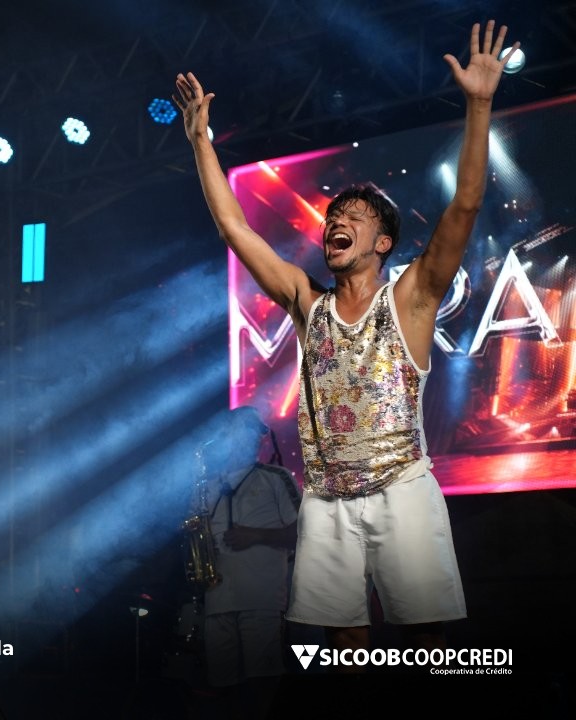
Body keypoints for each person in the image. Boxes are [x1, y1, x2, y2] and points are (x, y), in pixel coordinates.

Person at [174, 21, 519, 659]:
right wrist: (201, 143)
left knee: (425, 637)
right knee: (341, 642)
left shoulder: (411, 297)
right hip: (327, 498)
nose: (337, 220)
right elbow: (235, 230)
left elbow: (465, 207)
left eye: (354, 217)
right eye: (334, 215)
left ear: (383, 242)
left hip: (402, 488)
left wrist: (478, 104)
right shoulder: (308, 303)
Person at [191, 406, 298, 719]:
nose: (246, 438)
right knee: (222, 688)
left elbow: (305, 532)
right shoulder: (206, 486)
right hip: (216, 599)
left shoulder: (277, 478)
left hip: (261, 599)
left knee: (261, 684)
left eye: (251, 432)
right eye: (236, 431)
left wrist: (257, 535)